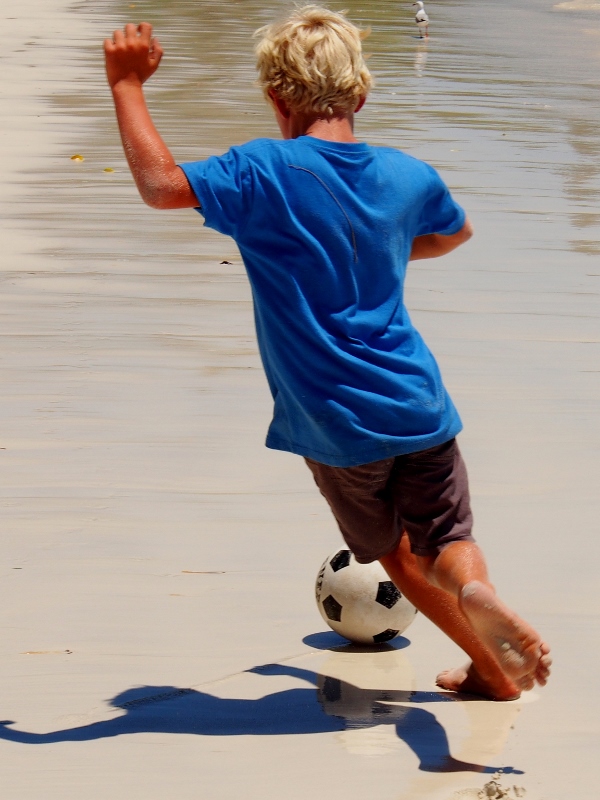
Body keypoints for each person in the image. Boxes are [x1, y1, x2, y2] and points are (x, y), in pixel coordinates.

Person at [103, 5, 550, 701]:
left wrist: (127, 86)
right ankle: (478, 590)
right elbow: (453, 234)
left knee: (398, 560)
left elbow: (162, 187)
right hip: (419, 405)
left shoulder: (261, 173)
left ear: (276, 97)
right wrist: (388, 246)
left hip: (339, 426)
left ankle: (492, 669)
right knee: (446, 541)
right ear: (362, 95)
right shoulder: (406, 176)